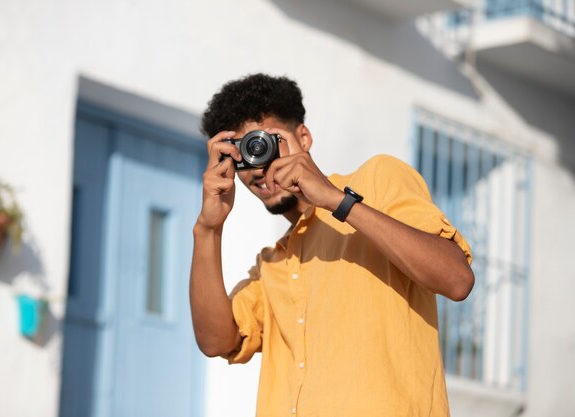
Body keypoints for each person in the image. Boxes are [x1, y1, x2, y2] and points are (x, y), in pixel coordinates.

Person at [190, 73, 474, 417]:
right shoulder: (273, 264)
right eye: (242, 156)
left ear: (304, 137)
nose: (257, 166)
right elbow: (217, 341)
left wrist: (333, 200)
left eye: (264, 142)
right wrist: (208, 228)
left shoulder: (377, 179)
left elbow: (457, 279)